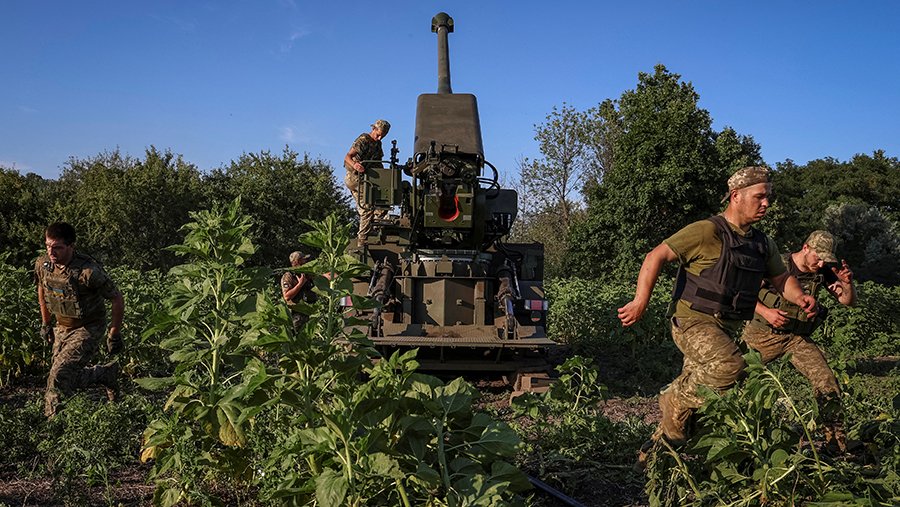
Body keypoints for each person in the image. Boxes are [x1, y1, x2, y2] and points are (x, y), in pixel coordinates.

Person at [617, 166, 817, 469]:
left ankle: (653, 455)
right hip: (693, 321)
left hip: (728, 328)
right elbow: (655, 256)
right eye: (759, 197)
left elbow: (780, 279)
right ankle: (672, 396)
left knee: (695, 411)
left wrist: (800, 296)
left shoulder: (763, 244)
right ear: (736, 196)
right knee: (728, 366)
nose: (766, 204)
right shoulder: (707, 231)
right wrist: (639, 301)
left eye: (768, 198)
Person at [741, 230, 856, 452]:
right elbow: (744, 291)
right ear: (805, 248)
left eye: (825, 258)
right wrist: (766, 312)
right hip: (762, 335)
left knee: (826, 380)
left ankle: (837, 444)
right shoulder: (777, 264)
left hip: (796, 339)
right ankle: (736, 436)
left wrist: (847, 283)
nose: (821, 262)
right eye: (818, 256)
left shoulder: (823, 270)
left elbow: (847, 301)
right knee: (733, 378)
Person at [35, 222, 124, 417]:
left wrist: (114, 333)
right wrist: (46, 323)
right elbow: (42, 289)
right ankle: (104, 374)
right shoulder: (44, 265)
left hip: (88, 327)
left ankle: (55, 425)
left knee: (58, 376)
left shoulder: (88, 272)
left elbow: (116, 298)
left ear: (71, 246)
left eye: (57, 247)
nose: (51, 251)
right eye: (48, 245)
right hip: (62, 327)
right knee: (62, 377)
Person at [344, 119, 390, 248]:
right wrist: (355, 165)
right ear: (373, 129)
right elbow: (347, 157)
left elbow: (378, 164)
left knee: (383, 203)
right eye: (378, 134)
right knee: (367, 207)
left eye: (383, 136)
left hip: (367, 179)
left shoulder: (378, 144)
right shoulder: (364, 139)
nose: (380, 137)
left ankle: (373, 231)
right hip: (355, 178)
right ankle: (362, 241)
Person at [281, 251, 314, 328]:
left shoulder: (305, 274)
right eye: (303, 259)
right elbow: (287, 296)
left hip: (307, 312)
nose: (306, 261)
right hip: (295, 315)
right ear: (297, 261)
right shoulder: (288, 276)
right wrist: (300, 284)